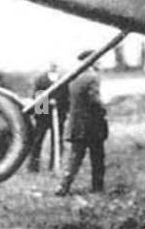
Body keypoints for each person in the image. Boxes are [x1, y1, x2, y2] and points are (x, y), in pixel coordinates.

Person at [57, 52, 108, 195]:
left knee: (74, 157)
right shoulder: (93, 77)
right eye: (98, 61)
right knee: (97, 157)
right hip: (92, 125)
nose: (100, 64)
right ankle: (97, 188)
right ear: (92, 62)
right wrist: (105, 109)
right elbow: (95, 100)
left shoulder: (73, 77)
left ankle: (63, 186)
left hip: (76, 124)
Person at [28, 64, 69, 173]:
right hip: (43, 115)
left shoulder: (63, 78)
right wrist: (46, 103)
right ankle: (33, 166)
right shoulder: (41, 79)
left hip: (59, 114)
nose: (54, 66)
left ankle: (55, 165)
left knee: (57, 140)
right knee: (38, 140)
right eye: (52, 64)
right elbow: (37, 96)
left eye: (56, 64)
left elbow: (66, 96)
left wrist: (59, 104)